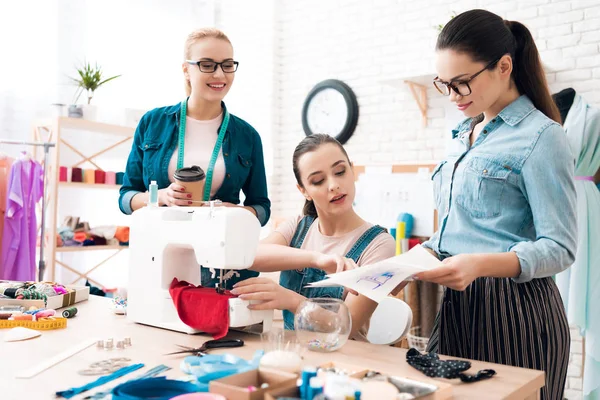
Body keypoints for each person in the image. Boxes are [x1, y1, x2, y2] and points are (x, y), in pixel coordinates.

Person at [416, 9, 577, 400]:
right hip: (457, 306)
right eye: (444, 84)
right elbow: (459, 228)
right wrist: (412, 258)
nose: (452, 96)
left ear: (504, 66)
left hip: (516, 310)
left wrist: (481, 264)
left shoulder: (543, 137)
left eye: (462, 83)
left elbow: (561, 247)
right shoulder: (461, 135)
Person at [119, 27, 270, 287]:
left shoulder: (248, 136)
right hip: (161, 256)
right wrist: (160, 197)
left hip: (222, 265)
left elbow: (262, 208)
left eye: (227, 65)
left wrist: (236, 212)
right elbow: (125, 197)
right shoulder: (152, 123)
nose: (219, 74)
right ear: (186, 69)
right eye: (207, 65)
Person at [231, 134, 397, 341]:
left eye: (340, 171)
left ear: (352, 170)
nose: (334, 185)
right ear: (304, 191)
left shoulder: (379, 244)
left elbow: (347, 326)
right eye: (318, 181)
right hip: (295, 352)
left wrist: (291, 301)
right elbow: (249, 255)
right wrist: (315, 259)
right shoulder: (298, 226)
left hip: (345, 359)